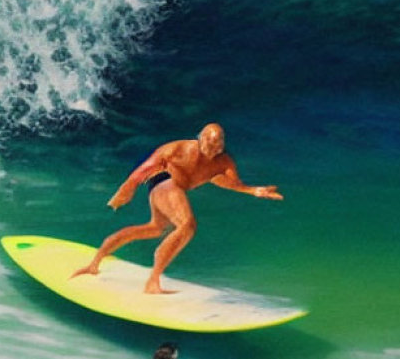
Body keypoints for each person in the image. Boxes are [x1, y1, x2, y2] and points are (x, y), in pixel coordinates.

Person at [71, 123, 283, 294]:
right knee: (187, 225)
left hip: (174, 189)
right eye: (210, 141)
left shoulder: (223, 162)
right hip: (164, 180)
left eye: (219, 142)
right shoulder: (179, 149)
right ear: (200, 138)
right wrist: (128, 187)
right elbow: (146, 167)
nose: (214, 146)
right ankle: (153, 282)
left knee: (154, 228)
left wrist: (253, 191)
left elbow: (225, 181)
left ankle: (94, 263)